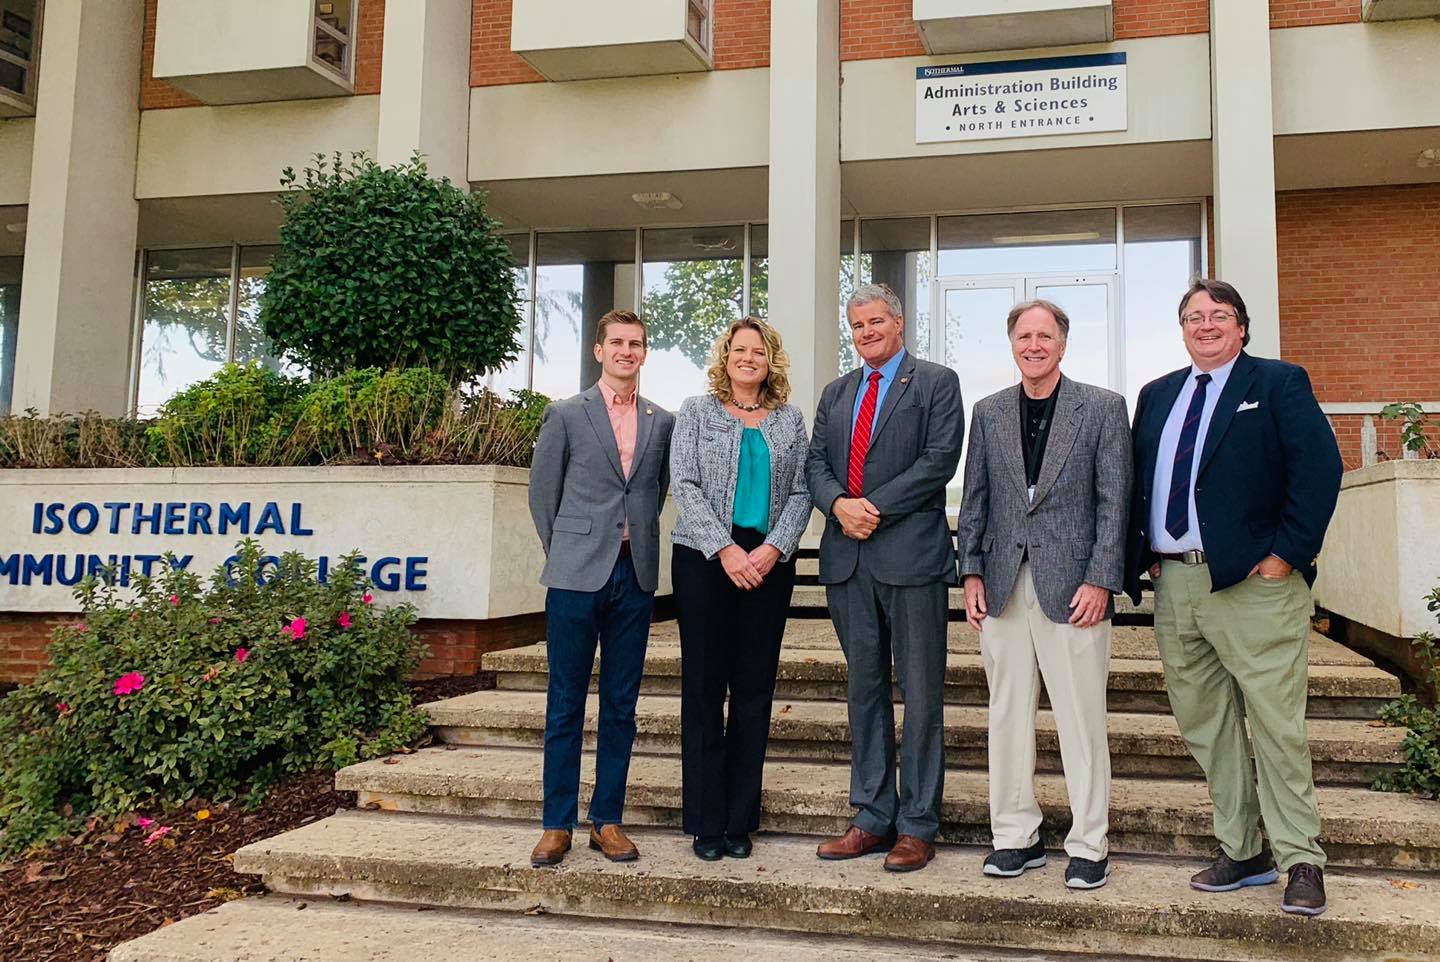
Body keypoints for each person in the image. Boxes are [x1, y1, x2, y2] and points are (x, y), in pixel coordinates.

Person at [1125, 279, 1341, 916]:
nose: (1206, 325)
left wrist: (1287, 554)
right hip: (1176, 583)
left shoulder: (1277, 383)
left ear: (1242, 327)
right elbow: (1142, 482)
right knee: (1206, 725)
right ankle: (1243, 849)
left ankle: (1301, 856)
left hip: (1255, 584)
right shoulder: (1157, 395)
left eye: (1219, 315)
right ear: (1182, 328)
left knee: (1275, 722)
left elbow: (1319, 470)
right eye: (1194, 316)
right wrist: (1149, 561)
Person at [956, 300, 1132, 890]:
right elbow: (975, 499)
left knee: (1081, 718)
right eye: (1024, 336)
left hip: (1076, 586)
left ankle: (1089, 843)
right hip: (1002, 586)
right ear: (1012, 344)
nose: (1034, 345)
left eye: (1045, 335)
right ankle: (1015, 835)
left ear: (1063, 343)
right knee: (1006, 714)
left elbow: (1115, 502)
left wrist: (1102, 579)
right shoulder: (989, 412)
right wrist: (971, 571)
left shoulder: (1103, 409)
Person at [805, 282, 964, 873]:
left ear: (898, 323)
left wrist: (870, 505)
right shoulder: (837, 392)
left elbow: (939, 461)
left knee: (921, 694)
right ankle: (871, 816)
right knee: (864, 690)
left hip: (912, 559)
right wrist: (838, 505)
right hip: (848, 560)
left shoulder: (935, 383)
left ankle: (918, 824)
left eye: (875, 322)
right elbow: (815, 462)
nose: (866, 333)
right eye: (857, 326)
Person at [527, 309, 675, 868]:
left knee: (621, 704)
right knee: (564, 702)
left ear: (644, 352)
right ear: (599, 350)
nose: (626, 351)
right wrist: (566, 550)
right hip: (574, 576)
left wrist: (627, 540)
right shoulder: (566, 414)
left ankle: (606, 820)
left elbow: (654, 492)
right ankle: (555, 823)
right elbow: (544, 495)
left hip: (633, 576)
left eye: (636, 343)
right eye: (617, 342)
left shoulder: (663, 421)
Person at [669, 316, 812, 861]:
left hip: (767, 564)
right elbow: (683, 481)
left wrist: (773, 548)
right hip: (706, 560)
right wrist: (724, 549)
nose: (748, 358)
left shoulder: (789, 420)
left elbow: (802, 491)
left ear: (770, 360)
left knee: (753, 693)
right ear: (725, 358)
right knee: (705, 689)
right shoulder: (696, 412)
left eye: (758, 351)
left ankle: (739, 821)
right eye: (739, 349)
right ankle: (706, 820)